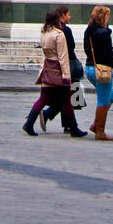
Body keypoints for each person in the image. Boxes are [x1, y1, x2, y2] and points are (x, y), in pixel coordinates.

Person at [22, 9, 87, 138]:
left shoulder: (44, 32)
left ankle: (29, 123)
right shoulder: (59, 34)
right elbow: (63, 57)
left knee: (43, 99)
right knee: (67, 100)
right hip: (58, 68)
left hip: (48, 67)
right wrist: (66, 76)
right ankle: (73, 128)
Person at [41, 6, 84, 132]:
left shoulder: (50, 30)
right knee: (68, 97)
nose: (69, 17)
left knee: (67, 97)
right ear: (63, 15)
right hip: (68, 65)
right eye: (68, 15)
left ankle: (67, 124)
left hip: (57, 65)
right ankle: (50, 115)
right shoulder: (65, 30)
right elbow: (71, 47)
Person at [84, 5, 113, 141]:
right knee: (103, 100)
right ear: (103, 17)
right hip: (102, 69)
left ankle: (96, 124)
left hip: (90, 67)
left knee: (111, 97)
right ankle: (100, 132)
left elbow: (88, 49)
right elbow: (108, 53)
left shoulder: (89, 30)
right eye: (107, 16)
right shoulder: (104, 34)